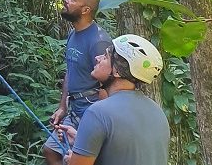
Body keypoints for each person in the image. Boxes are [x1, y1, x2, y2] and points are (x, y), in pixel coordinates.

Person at [59, 34, 168, 165]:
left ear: (117, 71)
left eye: (105, 56)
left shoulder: (97, 113)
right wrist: (81, 141)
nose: (97, 58)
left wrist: (71, 161)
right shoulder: (157, 111)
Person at [43, 0, 112, 165]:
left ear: (86, 10)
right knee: (51, 151)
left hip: (90, 109)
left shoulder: (98, 40)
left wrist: (101, 121)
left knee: (78, 160)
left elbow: (107, 84)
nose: (66, 0)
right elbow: (70, 71)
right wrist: (62, 107)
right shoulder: (73, 33)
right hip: (74, 108)